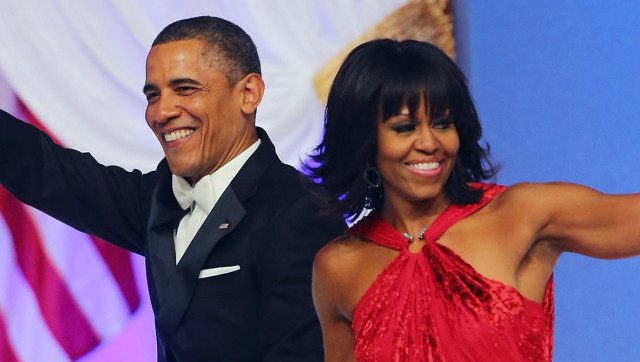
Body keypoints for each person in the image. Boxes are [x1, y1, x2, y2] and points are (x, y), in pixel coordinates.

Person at [0, 16, 346, 362]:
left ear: (248, 93)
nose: (162, 111)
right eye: (153, 95)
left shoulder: (302, 211)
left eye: (185, 89)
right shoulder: (157, 200)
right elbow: (46, 171)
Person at [306, 38, 640, 361]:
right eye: (405, 128)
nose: (429, 142)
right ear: (363, 140)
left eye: (442, 123)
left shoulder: (521, 214)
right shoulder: (338, 266)